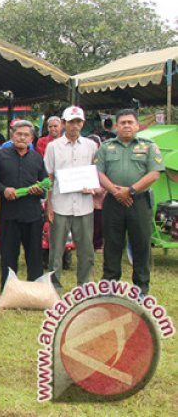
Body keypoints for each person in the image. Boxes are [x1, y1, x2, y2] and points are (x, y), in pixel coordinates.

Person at [95, 109, 163, 296]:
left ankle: (141, 289)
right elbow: (99, 172)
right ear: (116, 126)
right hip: (113, 201)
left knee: (141, 244)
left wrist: (130, 190)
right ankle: (108, 287)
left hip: (139, 201)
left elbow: (154, 173)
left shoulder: (149, 146)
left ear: (137, 125)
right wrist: (115, 191)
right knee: (112, 244)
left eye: (130, 122)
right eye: (122, 122)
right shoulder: (106, 147)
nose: (126, 126)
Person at [43, 106, 98, 292]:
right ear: (64, 123)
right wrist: (48, 204)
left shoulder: (91, 146)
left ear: (82, 123)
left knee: (86, 250)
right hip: (60, 204)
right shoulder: (53, 147)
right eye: (71, 122)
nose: (74, 126)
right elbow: (49, 177)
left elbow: (96, 173)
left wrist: (92, 187)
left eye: (78, 122)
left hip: (84, 205)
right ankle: (54, 286)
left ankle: (84, 285)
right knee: (56, 249)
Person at [0, 120, 47, 291]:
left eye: (26, 135)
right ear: (12, 135)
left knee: (34, 256)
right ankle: (8, 290)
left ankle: (35, 290)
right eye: (19, 134)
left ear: (31, 138)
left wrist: (40, 190)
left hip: (33, 215)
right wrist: (4, 190)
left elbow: (45, 185)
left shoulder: (37, 158)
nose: (22, 137)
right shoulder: (0, 156)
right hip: (10, 215)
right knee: (8, 255)